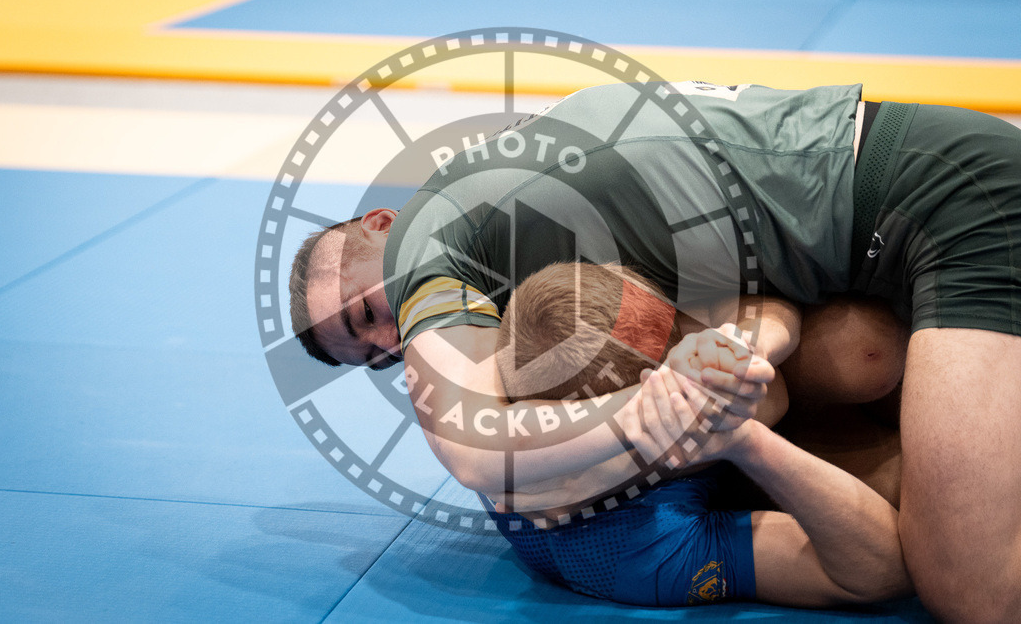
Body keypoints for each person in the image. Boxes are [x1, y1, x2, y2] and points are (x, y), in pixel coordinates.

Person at [291, 81, 1021, 621]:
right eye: (378, 356)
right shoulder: (510, 239)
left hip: (945, 205)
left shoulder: (431, 248)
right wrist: (717, 383)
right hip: (907, 188)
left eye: (364, 315)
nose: (394, 341)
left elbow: (478, 454)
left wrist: (664, 408)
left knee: (969, 589)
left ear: (382, 224)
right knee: (867, 358)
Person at [482, 261, 909, 607]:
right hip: (721, 475)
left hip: (682, 453)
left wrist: (748, 346)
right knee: (911, 485)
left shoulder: (497, 414)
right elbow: (882, 570)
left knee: (865, 349)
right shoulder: (641, 552)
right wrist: (746, 444)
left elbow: (766, 313)